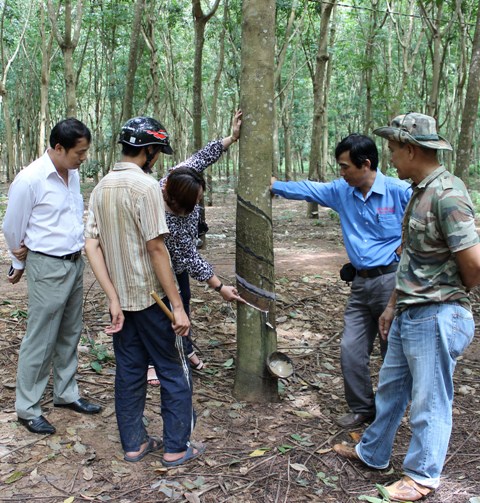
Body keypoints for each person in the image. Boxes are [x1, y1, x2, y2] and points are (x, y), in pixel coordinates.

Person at [333, 113, 480, 502]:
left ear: (412, 150)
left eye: (395, 151)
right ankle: (373, 452)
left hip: (435, 313)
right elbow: (411, 258)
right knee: (392, 389)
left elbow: (474, 264)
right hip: (408, 310)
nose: (392, 159)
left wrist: (443, 294)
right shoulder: (418, 190)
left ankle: (422, 476)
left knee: (430, 399)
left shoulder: (448, 194)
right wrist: (392, 306)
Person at [84, 116, 203, 466]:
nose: (158, 159)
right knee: (172, 368)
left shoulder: (100, 187)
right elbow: (156, 248)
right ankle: (176, 447)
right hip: (154, 301)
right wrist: (178, 306)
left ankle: (134, 444)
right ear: (149, 151)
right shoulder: (147, 187)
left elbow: (91, 245)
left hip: (122, 303)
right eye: (158, 153)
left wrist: (112, 297)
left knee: (130, 370)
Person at [270, 134, 411, 428]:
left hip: (392, 283)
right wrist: (274, 186)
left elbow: (423, 223)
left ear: (366, 164)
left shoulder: (400, 191)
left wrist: (406, 249)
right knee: (351, 349)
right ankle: (362, 408)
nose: (342, 172)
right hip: (360, 285)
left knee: (391, 352)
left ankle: (389, 414)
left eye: (346, 166)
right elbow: (310, 189)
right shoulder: (341, 191)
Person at [2, 118, 102, 436]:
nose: (83, 158)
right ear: (59, 148)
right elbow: (12, 226)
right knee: (41, 338)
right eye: (79, 152)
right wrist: (17, 263)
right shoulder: (30, 179)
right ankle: (27, 407)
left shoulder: (71, 174)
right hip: (46, 265)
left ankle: (66, 393)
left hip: (74, 264)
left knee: (70, 333)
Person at [147, 110, 245, 386]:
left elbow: (204, 156)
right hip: (156, 264)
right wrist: (219, 287)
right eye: (194, 203)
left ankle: (185, 347)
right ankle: (154, 361)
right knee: (160, 311)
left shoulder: (180, 175)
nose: (197, 206)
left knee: (183, 303)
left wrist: (232, 138)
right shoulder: (165, 215)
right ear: (175, 199)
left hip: (177, 266)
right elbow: (189, 255)